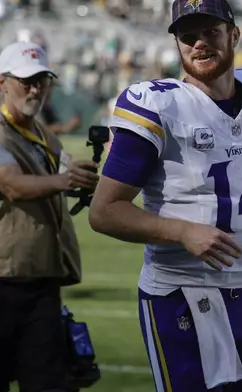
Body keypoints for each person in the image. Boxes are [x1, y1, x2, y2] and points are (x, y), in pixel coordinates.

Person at [88, 0, 242, 390]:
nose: (199, 43)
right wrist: (182, 232)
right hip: (179, 291)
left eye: (211, 32)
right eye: (188, 36)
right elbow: (104, 212)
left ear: (234, 35)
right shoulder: (158, 105)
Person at [0, 42, 98, 392]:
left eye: (41, 79)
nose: (35, 88)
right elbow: (11, 184)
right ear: (2, 83)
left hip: (41, 279)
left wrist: (87, 176)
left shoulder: (45, 136)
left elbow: (66, 177)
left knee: (49, 384)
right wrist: (65, 179)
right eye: (25, 80)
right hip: (4, 279)